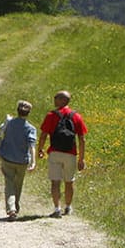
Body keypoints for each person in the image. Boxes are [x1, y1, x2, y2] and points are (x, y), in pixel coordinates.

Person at [36, 89, 88, 217]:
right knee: (69, 181)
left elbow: (43, 135)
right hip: (70, 153)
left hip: (55, 152)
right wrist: (81, 158)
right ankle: (68, 207)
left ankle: (56, 209)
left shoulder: (51, 115)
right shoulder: (76, 116)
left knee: (55, 181)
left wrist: (40, 149)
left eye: (56, 98)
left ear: (63, 100)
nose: (54, 100)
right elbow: (81, 139)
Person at [0, 99, 36, 219]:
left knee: (9, 183)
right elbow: (32, 146)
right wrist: (33, 161)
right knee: (18, 185)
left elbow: (0, 134)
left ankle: (12, 209)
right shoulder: (30, 128)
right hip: (22, 160)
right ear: (28, 113)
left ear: (17, 111)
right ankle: (14, 207)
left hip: (7, 158)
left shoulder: (9, 123)